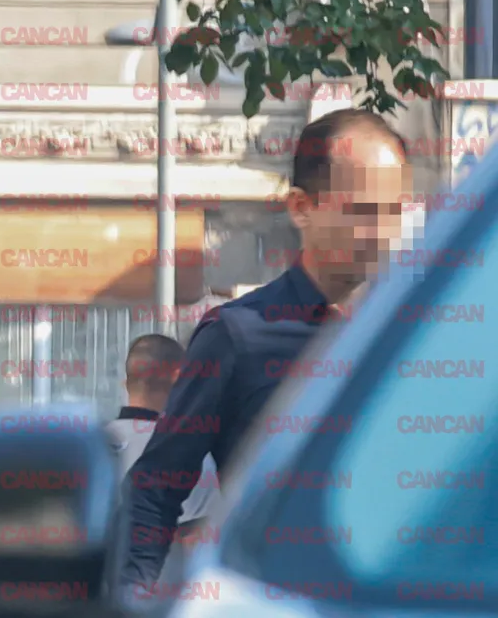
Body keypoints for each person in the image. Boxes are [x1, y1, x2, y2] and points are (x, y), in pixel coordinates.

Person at [120, 108, 412, 593]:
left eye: (394, 212)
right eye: (362, 211)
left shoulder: (414, 335)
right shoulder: (237, 336)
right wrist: (132, 597)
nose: (382, 232)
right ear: (301, 207)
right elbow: (154, 492)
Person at [105, 335, 220, 590]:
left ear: (126, 383)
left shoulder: (91, 450)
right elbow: (201, 547)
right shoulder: (195, 459)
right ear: (179, 379)